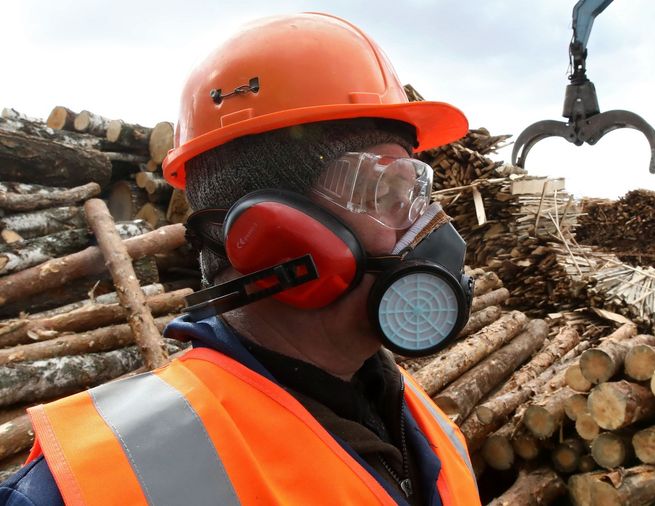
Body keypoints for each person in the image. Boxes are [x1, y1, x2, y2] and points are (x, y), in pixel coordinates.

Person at [0, 12, 481, 505]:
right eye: (388, 193)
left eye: (418, 193)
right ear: (275, 235)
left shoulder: (415, 419)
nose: (424, 225)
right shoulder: (83, 487)